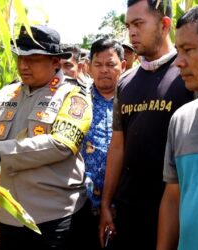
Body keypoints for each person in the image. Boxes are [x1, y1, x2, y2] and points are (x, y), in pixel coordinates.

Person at [0, 24, 93, 250]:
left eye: (33, 58)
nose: (23, 65)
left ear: (55, 62)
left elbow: (60, 145)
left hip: (56, 220)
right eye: (19, 57)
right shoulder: (7, 93)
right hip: (11, 218)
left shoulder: (74, 97)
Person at [99, 0, 194, 249]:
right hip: (128, 212)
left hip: (175, 212)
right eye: (129, 25)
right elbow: (118, 146)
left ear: (164, 25)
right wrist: (107, 204)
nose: (131, 32)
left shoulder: (188, 75)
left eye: (139, 24)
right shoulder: (126, 82)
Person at [157, 4, 198, 250]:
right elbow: (173, 197)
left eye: (188, 50)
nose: (179, 62)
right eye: (178, 51)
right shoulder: (181, 120)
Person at [80, 38, 125, 249]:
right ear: (89, 67)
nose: (104, 70)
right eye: (98, 65)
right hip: (83, 207)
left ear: (123, 66)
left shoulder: (132, 100)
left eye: (110, 64)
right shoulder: (77, 101)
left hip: (124, 206)